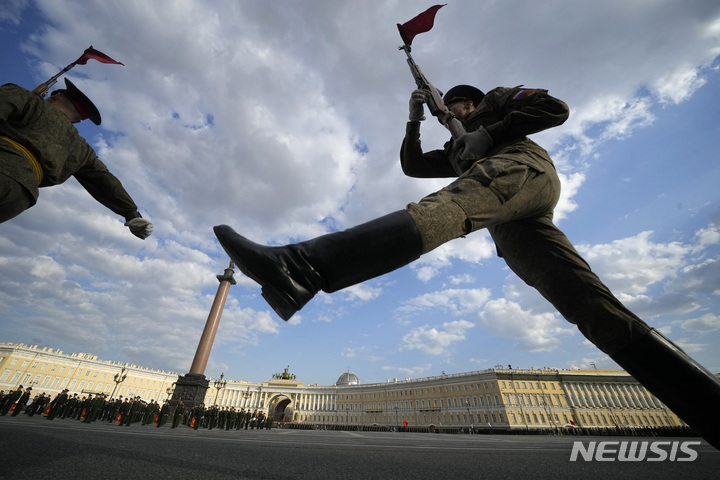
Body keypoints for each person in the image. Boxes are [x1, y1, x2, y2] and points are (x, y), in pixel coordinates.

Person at [214, 82, 720, 449]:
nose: (454, 108)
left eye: (459, 102)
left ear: (473, 101)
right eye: (448, 104)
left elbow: (555, 107)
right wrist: (414, 118)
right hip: (507, 219)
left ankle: (303, 267)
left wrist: (488, 128)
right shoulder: (456, 149)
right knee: (586, 304)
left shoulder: (495, 103)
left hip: (522, 171)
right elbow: (413, 165)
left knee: (450, 205)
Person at [0, 78, 153, 239]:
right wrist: (132, 213)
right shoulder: (81, 148)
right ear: (76, 121)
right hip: (20, 196)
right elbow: (104, 180)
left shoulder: (27, 98)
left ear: (55, 96)